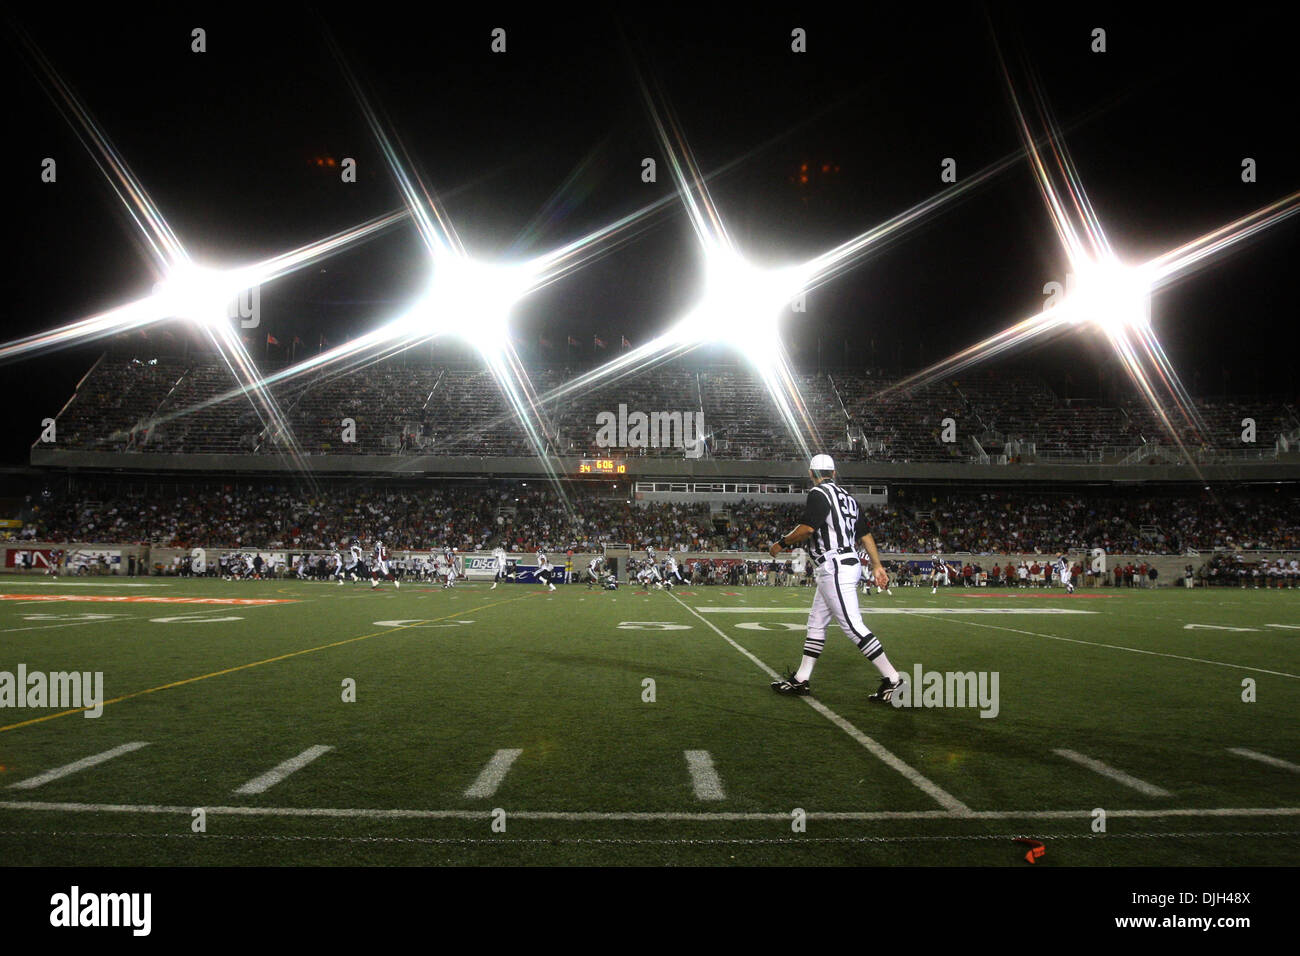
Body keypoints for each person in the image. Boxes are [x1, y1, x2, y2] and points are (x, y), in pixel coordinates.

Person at [767, 454, 904, 702]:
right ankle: (801, 679)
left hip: (835, 565)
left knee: (853, 626)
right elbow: (865, 534)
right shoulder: (849, 499)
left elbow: (808, 528)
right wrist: (877, 565)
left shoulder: (819, 493)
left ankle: (894, 680)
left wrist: (782, 542)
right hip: (839, 563)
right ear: (833, 472)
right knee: (816, 623)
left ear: (811, 474)